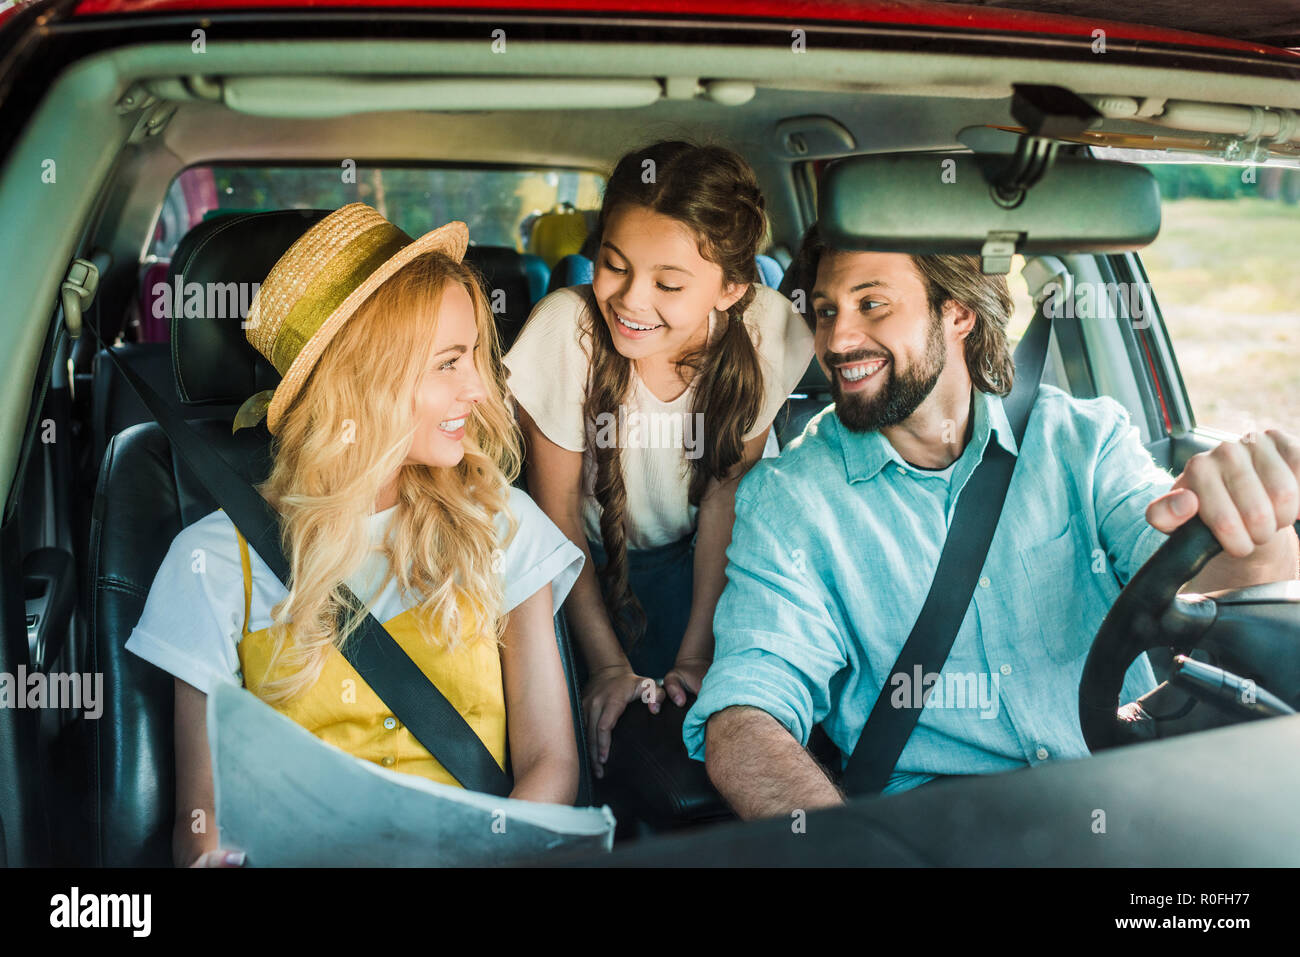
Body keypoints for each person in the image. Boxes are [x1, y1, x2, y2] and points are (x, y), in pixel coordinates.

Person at [685, 225, 1300, 820]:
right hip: (946, 828)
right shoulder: (789, 500)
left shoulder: (1084, 442)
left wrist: (1251, 524)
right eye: (824, 311)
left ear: (957, 313)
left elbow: (1195, 576)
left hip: (1128, 800)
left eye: (871, 304)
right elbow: (747, 712)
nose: (838, 339)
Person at [125, 204, 585, 866]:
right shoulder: (212, 562)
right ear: (362, 381)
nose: (481, 388)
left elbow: (551, 762)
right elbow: (202, 818)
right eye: (450, 363)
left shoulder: (503, 525)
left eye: (477, 356)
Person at [503, 141, 814, 779]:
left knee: (700, 732)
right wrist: (609, 665)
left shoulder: (765, 331)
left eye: (669, 284)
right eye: (613, 267)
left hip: (706, 564)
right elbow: (554, 512)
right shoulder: (568, 331)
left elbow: (728, 498)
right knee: (603, 749)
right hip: (575, 569)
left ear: (731, 288)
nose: (631, 300)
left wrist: (699, 652)